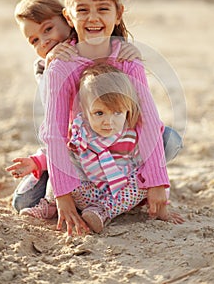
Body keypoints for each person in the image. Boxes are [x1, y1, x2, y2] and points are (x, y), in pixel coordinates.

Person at [39, 0, 183, 236]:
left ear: (118, 14)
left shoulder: (128, 60)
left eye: (102, 9)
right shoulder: (62, 65)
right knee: (30, 197)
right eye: (83, 10)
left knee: (167, 140)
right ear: (69, 17)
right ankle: (63, 196)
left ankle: (103, 208)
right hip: (84, 156)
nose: (93, 18)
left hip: (121, 153)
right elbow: (55, 132)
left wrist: (156, 184)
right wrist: (63, 198)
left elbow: (148, 122)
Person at [5, 0, 144, 218]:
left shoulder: (99, 47)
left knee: (167, 139)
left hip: (109, 135)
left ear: (67, 18)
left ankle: (106, 192)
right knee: (23, 202)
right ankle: (53, 173)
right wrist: (50, 66)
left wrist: (126, 48)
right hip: (71, 144)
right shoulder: (49, 67)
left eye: (48, 29)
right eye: (35, 40)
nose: (44, 41)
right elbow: (55, 124)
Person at [67, 63, 183, 233]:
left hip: (118, 195)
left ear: (127, 111)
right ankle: (50, 203)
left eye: (117, 113)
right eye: (99, 113)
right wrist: (37, 164)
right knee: (63, 164)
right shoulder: (80, 131)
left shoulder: (130, 137)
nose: (108, 121)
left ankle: (103, 213)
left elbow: (146, 169)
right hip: (87, 192)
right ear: (85, 112)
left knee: (144, 180)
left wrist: (161, 203)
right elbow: (61, 155)